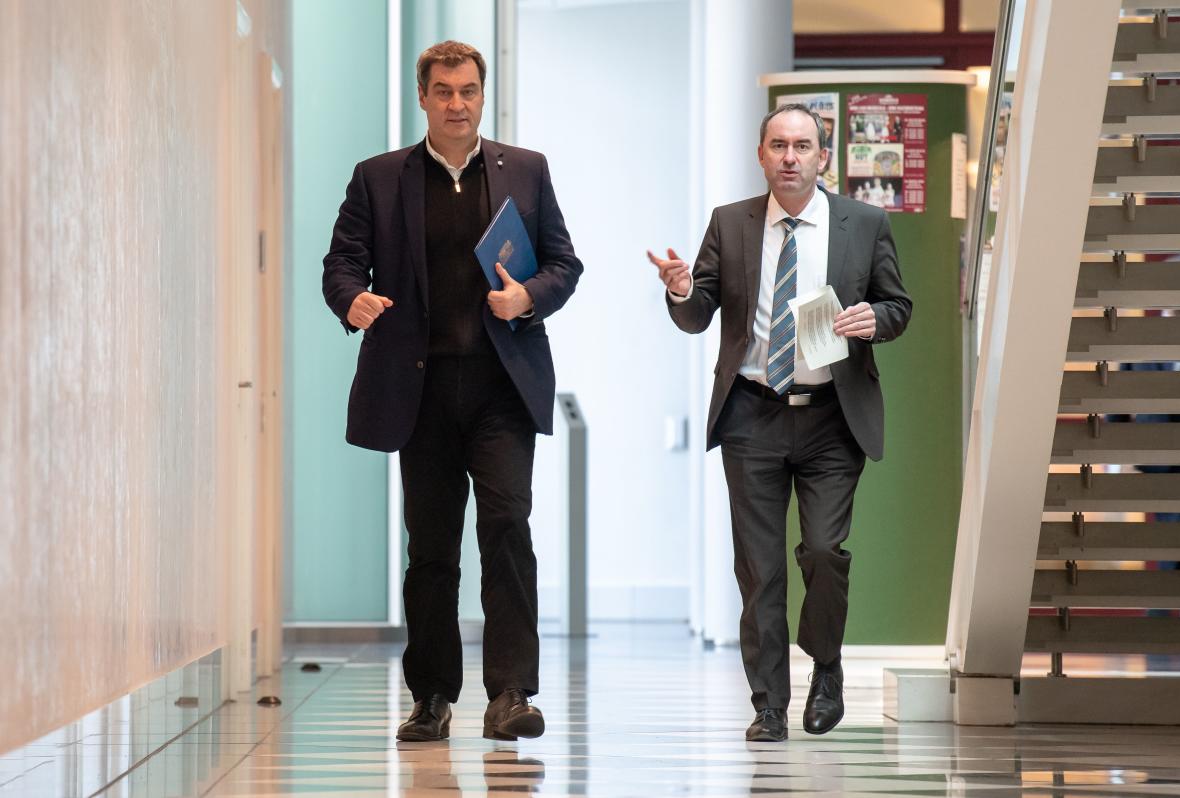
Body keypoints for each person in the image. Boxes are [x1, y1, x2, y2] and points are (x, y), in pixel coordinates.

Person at [321, 40, 583, 743]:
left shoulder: (525, 171)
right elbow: (341, 264)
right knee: (431, 548)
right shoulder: (379, 179)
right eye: (444, 91)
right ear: (423, 98)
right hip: (421, 389)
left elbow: (565, 263)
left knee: (506, 529)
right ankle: (432, 695)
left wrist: (527, 296)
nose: (457, 104)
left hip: (502, 389)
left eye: (468, 90)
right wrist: (354, 301)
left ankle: (511, 695)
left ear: (481, 94)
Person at [646, 103, 911, 742]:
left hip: (831, 416)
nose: (790, 156)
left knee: (822, 550)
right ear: (761, 155)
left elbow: (898, 306)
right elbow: (697, 313)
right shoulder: (730, 225)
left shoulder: (863, 222)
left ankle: (826, 669)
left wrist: (875, 320)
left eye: (802, 146)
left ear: (823, 157)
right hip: (752, 414)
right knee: (759, 569)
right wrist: (682, 288)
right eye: (778, 145)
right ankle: (769, 705)